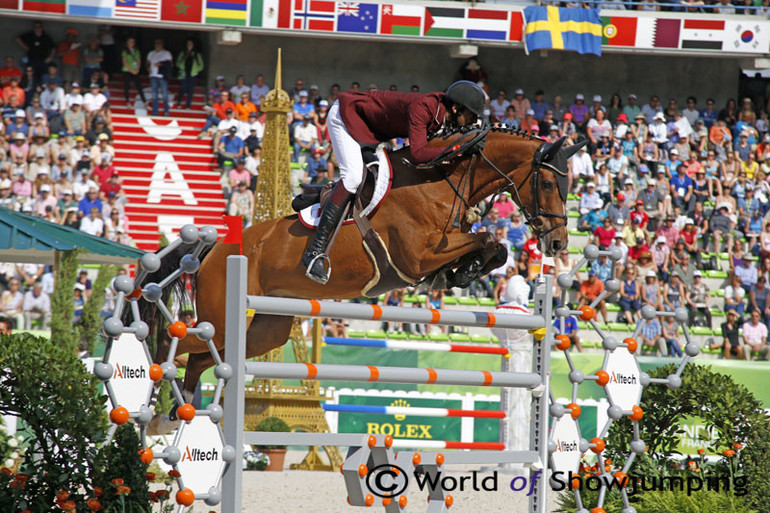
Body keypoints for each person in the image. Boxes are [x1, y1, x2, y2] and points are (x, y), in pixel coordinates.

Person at [301, 80, 486, 284]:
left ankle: (320, 195)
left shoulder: (445, 118)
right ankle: (315, 252)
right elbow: (418, 154)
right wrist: (458, 148)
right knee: (353, 178)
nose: (473, 120)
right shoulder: (423, 108)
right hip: (347, 118)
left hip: (372, 132)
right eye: (471, 115)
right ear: (455, 108)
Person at [146, 39, 172, 117]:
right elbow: (147, 63)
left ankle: (166, 111)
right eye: (156, 43)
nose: (158, 45)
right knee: (154, 95)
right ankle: (155, 111)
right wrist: (148, 69)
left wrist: (161, 64)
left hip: (162, 76)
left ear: (162, 44)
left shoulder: (166, 53)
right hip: (153, 75)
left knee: (164, 94)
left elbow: (170, 64)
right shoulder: (151, 53)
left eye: (159, 43)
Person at [176, 38, 204, 110]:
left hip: (192, 74)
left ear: (193, 45)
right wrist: (181, 67)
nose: (189, 45)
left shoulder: (196, 54)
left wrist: (196, 70)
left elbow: (201, 65)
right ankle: (179, 102)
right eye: (188, 44)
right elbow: (177, 62)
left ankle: (188, 105)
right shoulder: (183, 53)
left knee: (190, 90)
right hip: (183, 73)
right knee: (183, 87)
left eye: (190, 44)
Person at [121, 36, 146, 105]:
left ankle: (144, 101)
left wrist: (137, 69)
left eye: (133, 42)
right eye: (130, 41)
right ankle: (128, 101)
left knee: (139, 85)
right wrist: (131, 70)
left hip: (135, 70)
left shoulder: (136, 51)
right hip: (127, 70)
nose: (132, 43)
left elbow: (139, 61)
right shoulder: (125, 51)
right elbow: (124, 62)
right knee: (127, 86)